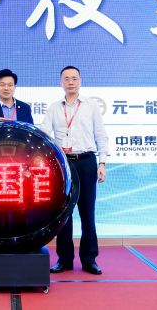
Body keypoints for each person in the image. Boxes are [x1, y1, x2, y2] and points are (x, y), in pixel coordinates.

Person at [40, 66, 109, 275]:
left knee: (87, 213)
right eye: (66, 78)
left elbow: (101, 135)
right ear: (60, 82)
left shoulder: (91, 106)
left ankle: (89, 259)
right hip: (64, 164)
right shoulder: (54, 108)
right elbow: (44, 134)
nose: (70, 82)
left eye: (74, 78)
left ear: (80, 81)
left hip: (87, 161)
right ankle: (64, 259)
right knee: (63, 214)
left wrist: (102, 163)